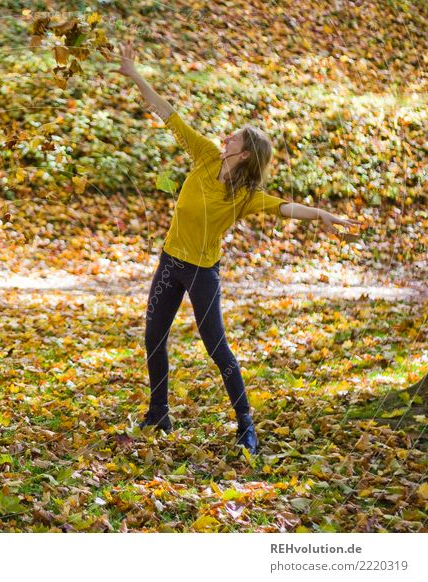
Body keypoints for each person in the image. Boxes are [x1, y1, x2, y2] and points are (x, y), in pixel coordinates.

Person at [114, 43, 360, 453]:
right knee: (154, 339)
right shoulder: (205, 155)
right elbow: (168, 115)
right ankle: (159, 413)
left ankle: (246, 424)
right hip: (170, 263)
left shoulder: (245, 194)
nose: (226, 135)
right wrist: (135, 75)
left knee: (217, 348)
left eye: (236, 137)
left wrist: (320, 214)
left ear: (243, 153)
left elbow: (284, 207)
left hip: (202, 273)